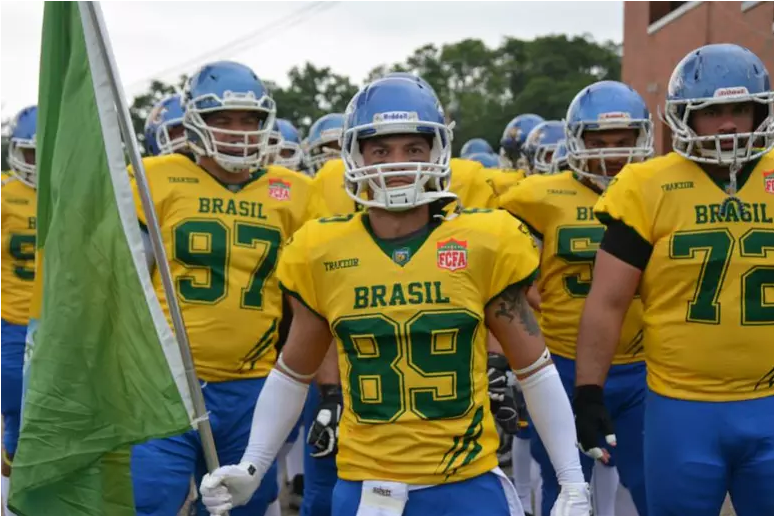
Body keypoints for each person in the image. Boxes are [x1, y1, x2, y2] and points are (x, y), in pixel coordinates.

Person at [198, 76, 590, 516]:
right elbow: (293, 372)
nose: (396, 164)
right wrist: (254, 465)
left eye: (413, 149)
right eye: (381, 150)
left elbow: (535, 369)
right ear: (355, 154)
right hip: (366, 488)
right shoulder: (322, 250)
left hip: (466, 484)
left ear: (438, 151)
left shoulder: (484, 240)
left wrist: (572, 480)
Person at [574, 43, 774, 516]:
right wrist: (588, 393)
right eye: (712, 111)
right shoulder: (648, 185)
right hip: (681, 406)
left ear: (759, 110)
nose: (728, 124)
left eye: (740, 109)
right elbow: (607, 301)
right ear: (685, 116)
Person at [129, 60, 315, 516]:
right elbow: (127, 284)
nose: (237, 132)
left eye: (249, 121)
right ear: (195, 121)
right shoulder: (156, 178)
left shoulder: (294, 192)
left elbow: (308, 300)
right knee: (151, 499)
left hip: (253, 384)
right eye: (223, 120)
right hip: (166, 381)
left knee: (244, 506)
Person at [498, 80, 654, 516]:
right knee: (566, 483)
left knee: (647, 480)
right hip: (561, 362)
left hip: (642, 364)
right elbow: (496, 261)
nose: (610, 153)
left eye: (623, 142)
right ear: (575, 141)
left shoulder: (656, 188)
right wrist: (527, 288)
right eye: (598, 141)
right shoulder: (536, 197)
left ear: (643, 139)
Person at [1, 105, 38, 516]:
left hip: (66, 325)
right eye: (33, 154)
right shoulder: (4, 195)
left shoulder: (79, 192)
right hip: (13, 324)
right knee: (18, 415)